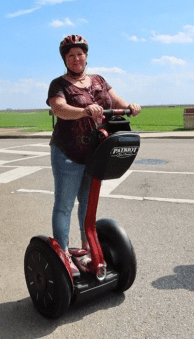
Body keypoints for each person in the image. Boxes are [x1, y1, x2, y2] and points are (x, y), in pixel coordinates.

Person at [46, 34, 141, 276]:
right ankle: (64, 254)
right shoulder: (59, 84)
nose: (76, 59)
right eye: (71, 55)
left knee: (88, 203)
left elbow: (114, 98)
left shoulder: (98, 80)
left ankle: (87, 247)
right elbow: (59, 107)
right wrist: (83, 111)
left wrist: (130, 106)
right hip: (68, 152)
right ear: (65, 60)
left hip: (95, 152)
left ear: (86, 56)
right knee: (65, 205)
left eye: (80, 54)